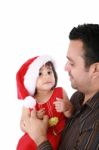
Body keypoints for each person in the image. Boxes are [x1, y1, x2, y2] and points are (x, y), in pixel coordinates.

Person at [20, 24, 99, 150]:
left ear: (95, 69)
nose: (65, 67)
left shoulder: (95, 124)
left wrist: (40, 137)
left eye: (72, 63)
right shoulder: (77, 97)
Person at [16, 55, 74, 150]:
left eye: (49, 72)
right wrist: (34, 119)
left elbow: (71, 114)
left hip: (56, 137)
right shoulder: (29, 102)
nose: (47, 76)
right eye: (40, 74)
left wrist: (67, 108)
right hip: (32, 141)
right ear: (31, 80)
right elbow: (23, 125)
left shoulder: (60, 92)